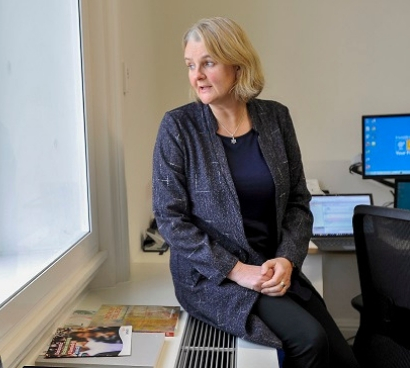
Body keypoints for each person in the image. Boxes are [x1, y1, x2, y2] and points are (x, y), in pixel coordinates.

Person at [151, 17, 359, 368]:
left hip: (273, 267)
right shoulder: (179, 127)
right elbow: (170, 218)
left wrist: (288, 259)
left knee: (344, 361)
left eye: (208, 63)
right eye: (190, 65)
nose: (196, 75)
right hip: (214, 278)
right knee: (309, 341)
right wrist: (236, 270)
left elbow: (297, 201)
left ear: (237, 64)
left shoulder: (276, 118)